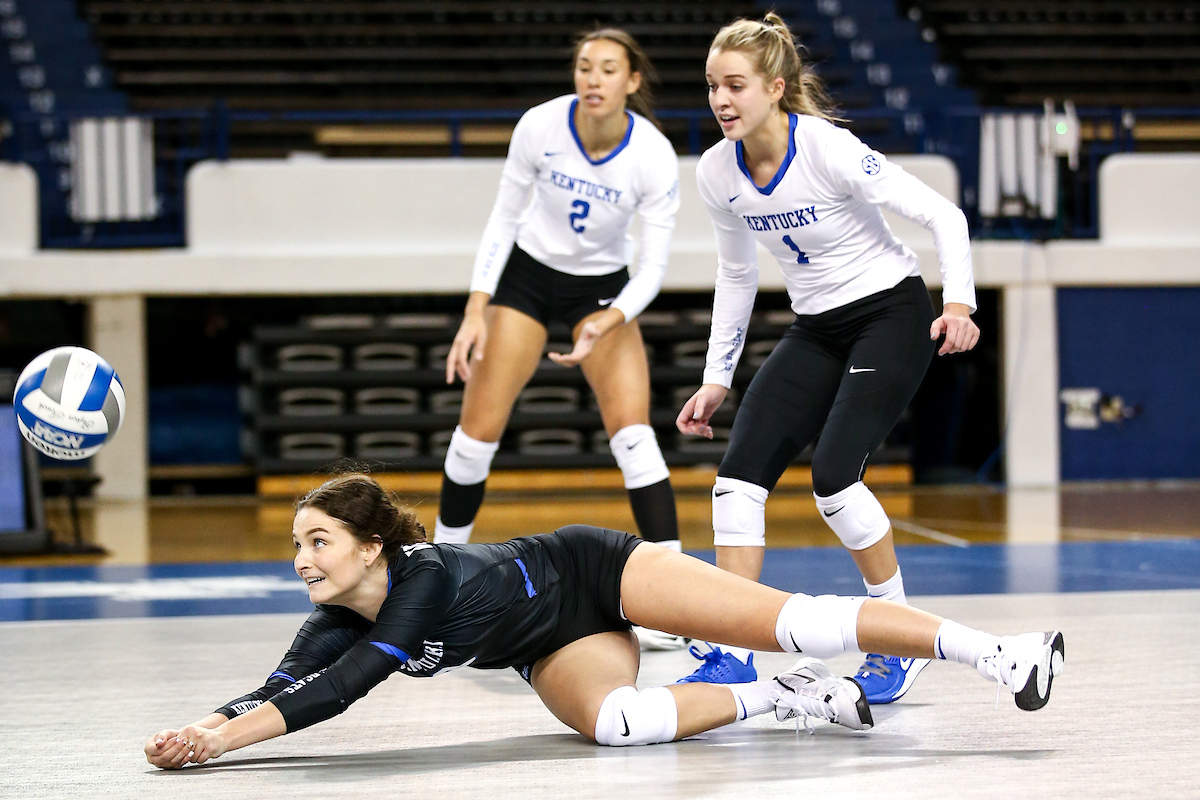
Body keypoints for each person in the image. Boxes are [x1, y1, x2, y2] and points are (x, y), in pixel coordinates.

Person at [144, 474, 1064, 769]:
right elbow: (279, 688)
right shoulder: (334, 618)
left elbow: (340, 696)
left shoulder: (415, 583)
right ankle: (788, 705)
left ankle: (997, 652)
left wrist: (221, 747)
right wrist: (200, 729)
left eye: (317, 541)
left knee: (794, 619)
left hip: (600, 572)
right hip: (552, 640)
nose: (301, 560)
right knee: (622, 726)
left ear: (371, 546)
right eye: (298, 545)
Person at [674, 13, 981, 701]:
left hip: (890, 313)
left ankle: (896, 637)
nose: (721, 100)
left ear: (775, 88)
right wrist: (716, 378)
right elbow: (737, 275)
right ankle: (732, 648)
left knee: (835, 482)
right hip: (816, 327)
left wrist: (958, 305)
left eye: (736, 86)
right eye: (711, 87)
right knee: (736, 483)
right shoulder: (716, 172)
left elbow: (946, 216)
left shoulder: (827, 149)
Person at [434, 26, 685, 653]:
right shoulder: (539, 127)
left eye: (607, 69)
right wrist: (476, 307)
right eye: (583, 67)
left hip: (602, 289)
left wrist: (613, 317)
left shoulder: (652, 155)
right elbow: (503, 219)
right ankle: (433, 578)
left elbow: (653, 267)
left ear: (631, 81)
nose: (592, 79)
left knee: (634, 435)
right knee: (475, 434)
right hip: (528, 278)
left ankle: (674, 598)